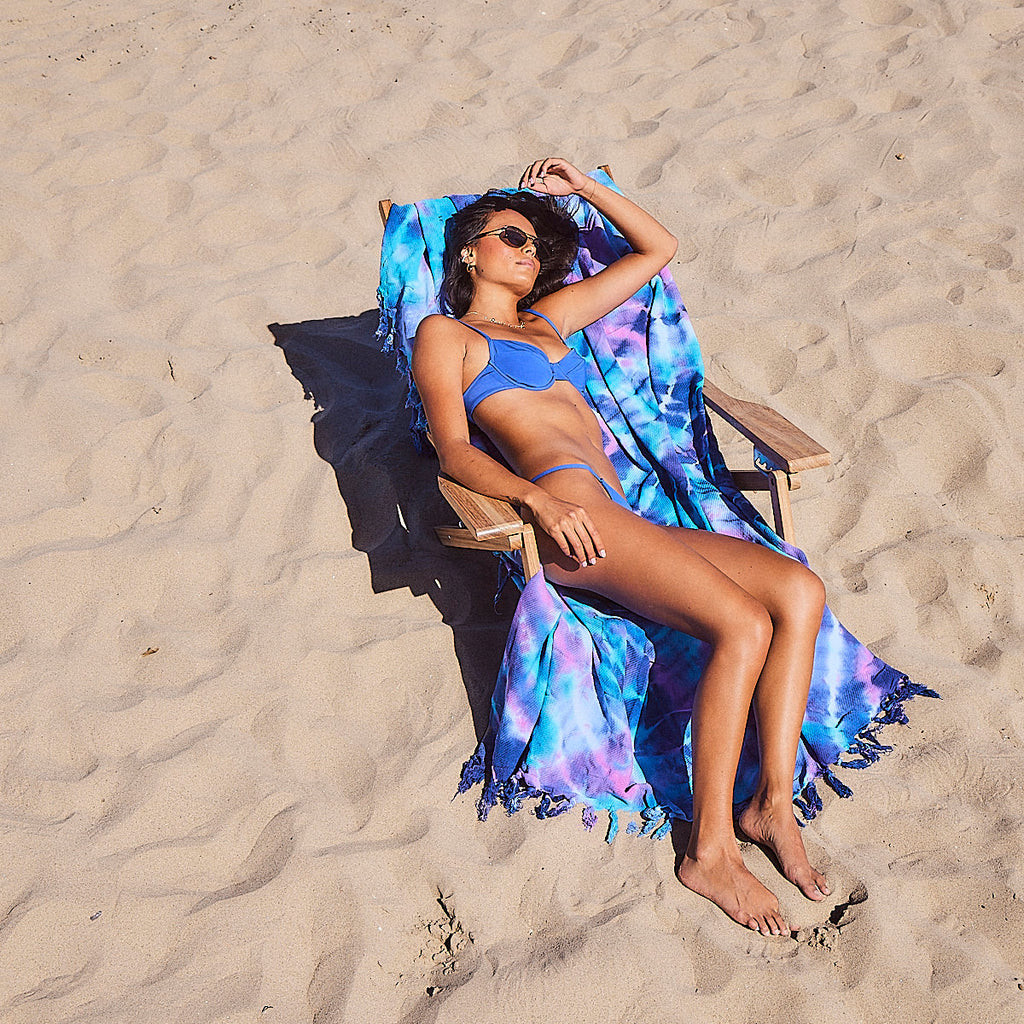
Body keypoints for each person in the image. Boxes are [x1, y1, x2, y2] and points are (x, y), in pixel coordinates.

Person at [411, 157, 830, 936]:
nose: (529, 252)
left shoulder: (546, 324)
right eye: (511, 238)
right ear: (468, 251)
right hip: (569, 518)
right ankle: (709, 851)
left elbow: (657, 250)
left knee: (799, 592)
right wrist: (534, 499)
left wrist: (586, 190)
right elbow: (453, 450)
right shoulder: (447, 334)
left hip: (623, 516)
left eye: (536, 244)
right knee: (743, 624)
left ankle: (771, 804)